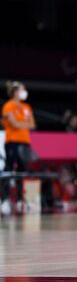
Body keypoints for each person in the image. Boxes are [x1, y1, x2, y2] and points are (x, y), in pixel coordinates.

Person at [1, 81, 36, 215]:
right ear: (15, 91)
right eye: (22, 89)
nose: (24, 92)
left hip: (25, 142)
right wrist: (23, 123)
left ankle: (22, 200)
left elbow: (32, 124)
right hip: (12, 142)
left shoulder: (27, 107)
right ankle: (4, 200)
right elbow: (14, 124)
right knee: (9, 170)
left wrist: (21, 123)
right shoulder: (8, 106)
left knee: (23, 171)